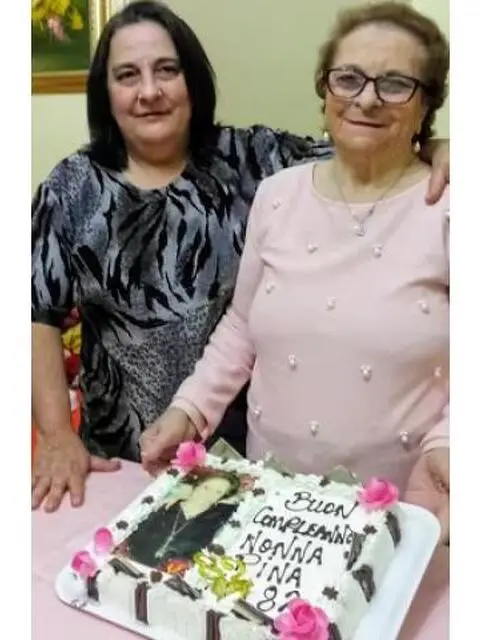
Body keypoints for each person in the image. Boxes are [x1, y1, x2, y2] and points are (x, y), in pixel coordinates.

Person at [31, 0, 449, 513]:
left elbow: (365, 146)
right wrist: (56, 433)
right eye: (127, 75)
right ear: (105, 91)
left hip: (236, 463)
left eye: (168, 70)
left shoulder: (252, 160)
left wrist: (443, 148)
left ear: (193, 81)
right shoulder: (72, 187)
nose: (149, 91)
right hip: (123, 456)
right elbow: (36, 311)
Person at [124, 469, 240, 568]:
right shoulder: (164, 506)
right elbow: (132, 530)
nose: (208, 494)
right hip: (129, 560)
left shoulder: (212, 523)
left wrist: (188, 562)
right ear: (197, 486)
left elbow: (199, 555)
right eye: (206, 488)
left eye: (218, 492)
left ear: (221, 498)